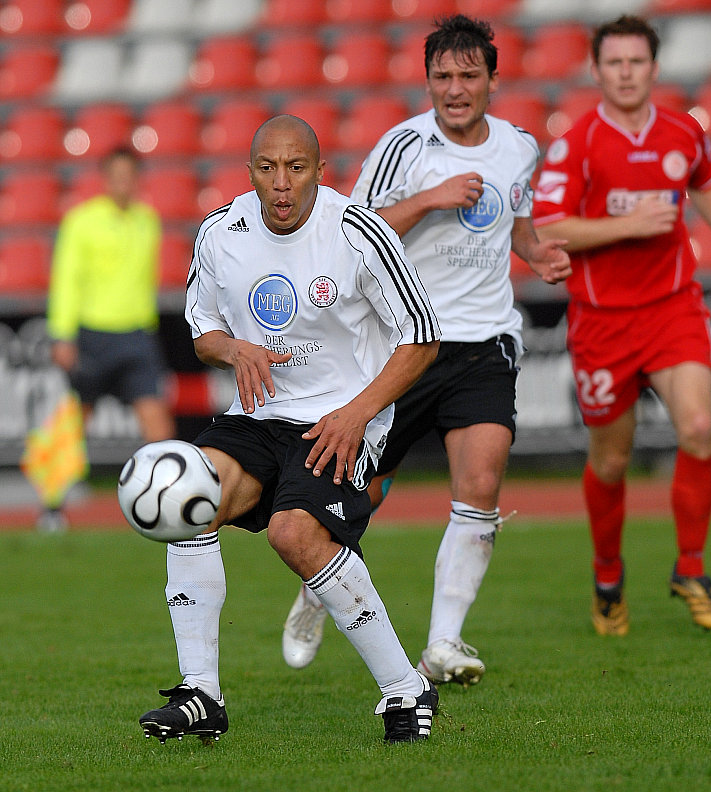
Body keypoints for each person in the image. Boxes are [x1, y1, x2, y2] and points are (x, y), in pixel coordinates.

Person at [281, 14, 571, 686]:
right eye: (443, 76)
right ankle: (318, 583)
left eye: (469, 75)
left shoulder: (519, 148)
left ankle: (443, 643)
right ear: (429, 81)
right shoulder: (403, 146)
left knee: (481, 485)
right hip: (404, 345)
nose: (456, 88)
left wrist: (539, 252)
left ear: (493, 81)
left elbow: (518, 225)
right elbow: (354, 231)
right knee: (361, 494)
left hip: (485, 344)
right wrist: (431, 198)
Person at [138, 115, 441, 745]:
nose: (282, 184)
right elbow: (202, 332)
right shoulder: (222, 232)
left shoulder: (358, 232)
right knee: (186, 502)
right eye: (268, 169)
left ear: (319, 171)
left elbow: (422, 339)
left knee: (293, 533)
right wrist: (235, 351)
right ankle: (202, 695)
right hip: (260, 415)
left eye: (296, 168)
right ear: (250, 172)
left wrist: (357, 414)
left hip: (340, 416)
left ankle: (406, 690)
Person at [532, 15, 711, 636]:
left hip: (672, 307)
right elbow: (551, 227)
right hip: (602, 322)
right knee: (611, 460)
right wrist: (628, 225)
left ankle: (692, 567)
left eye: (637, 62)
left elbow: (705, 182)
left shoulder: (683, 132)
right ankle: (608, 576)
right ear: (598, 71)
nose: (626, 73)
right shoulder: (576, 145)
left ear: (654, 69)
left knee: (700, 428)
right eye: (615, 63)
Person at [46, 146, 175, 531]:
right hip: (93, 335)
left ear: (137, 179)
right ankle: (50, 505)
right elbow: (66, 280)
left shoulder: (147, 221)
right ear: (106, 179)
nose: (123, 183)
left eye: (129, 175)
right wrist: (62, 335)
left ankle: (169, 502)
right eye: (116, 175)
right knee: (74, 422)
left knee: (157, 423)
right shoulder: (81, 221)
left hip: (137, 335)